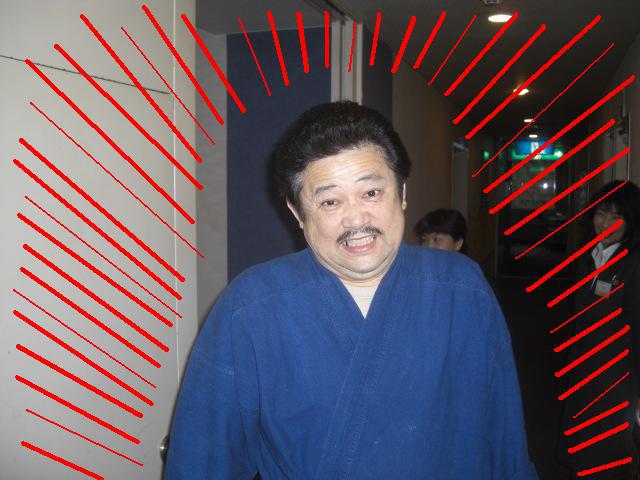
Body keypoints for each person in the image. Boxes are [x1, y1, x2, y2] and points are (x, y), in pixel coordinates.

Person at [164, 101, 537, 479]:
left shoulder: (462, 288)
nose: (356, 219)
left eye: (371, 193)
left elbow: (504, 441)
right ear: (297, 212)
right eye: (330, 201)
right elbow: (202, 461)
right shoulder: (249, 308)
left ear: (401, 192)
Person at [558, 180, 640, 479]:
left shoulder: (634, 263)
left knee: (608, 457)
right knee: (582, 451)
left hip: (617, 380)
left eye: (616, 216)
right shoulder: (590, 256)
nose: (605, 224)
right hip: (585, 371)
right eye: (601, 214)